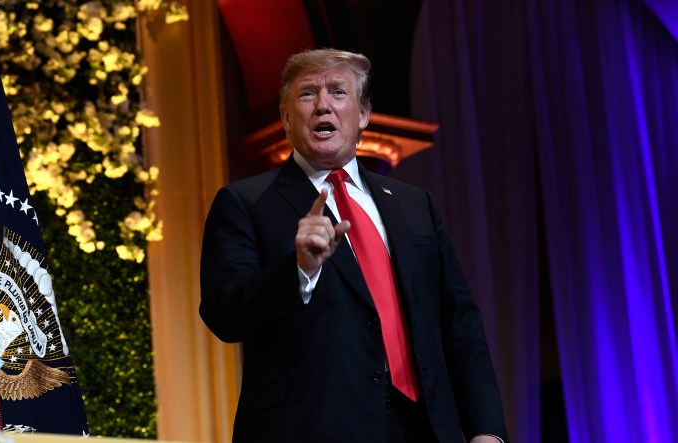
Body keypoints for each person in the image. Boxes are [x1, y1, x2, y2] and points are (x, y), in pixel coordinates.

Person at [199, 48, 508, 443]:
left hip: (425, 428)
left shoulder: (415, 204)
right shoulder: (246, 203)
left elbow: (458, 321)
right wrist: (299, 269)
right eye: (308, 94)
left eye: (338, 92)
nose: (323, 105)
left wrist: (486, 429)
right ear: (286, 118)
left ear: (363, 115)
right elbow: (224, 312)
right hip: (312, 428)